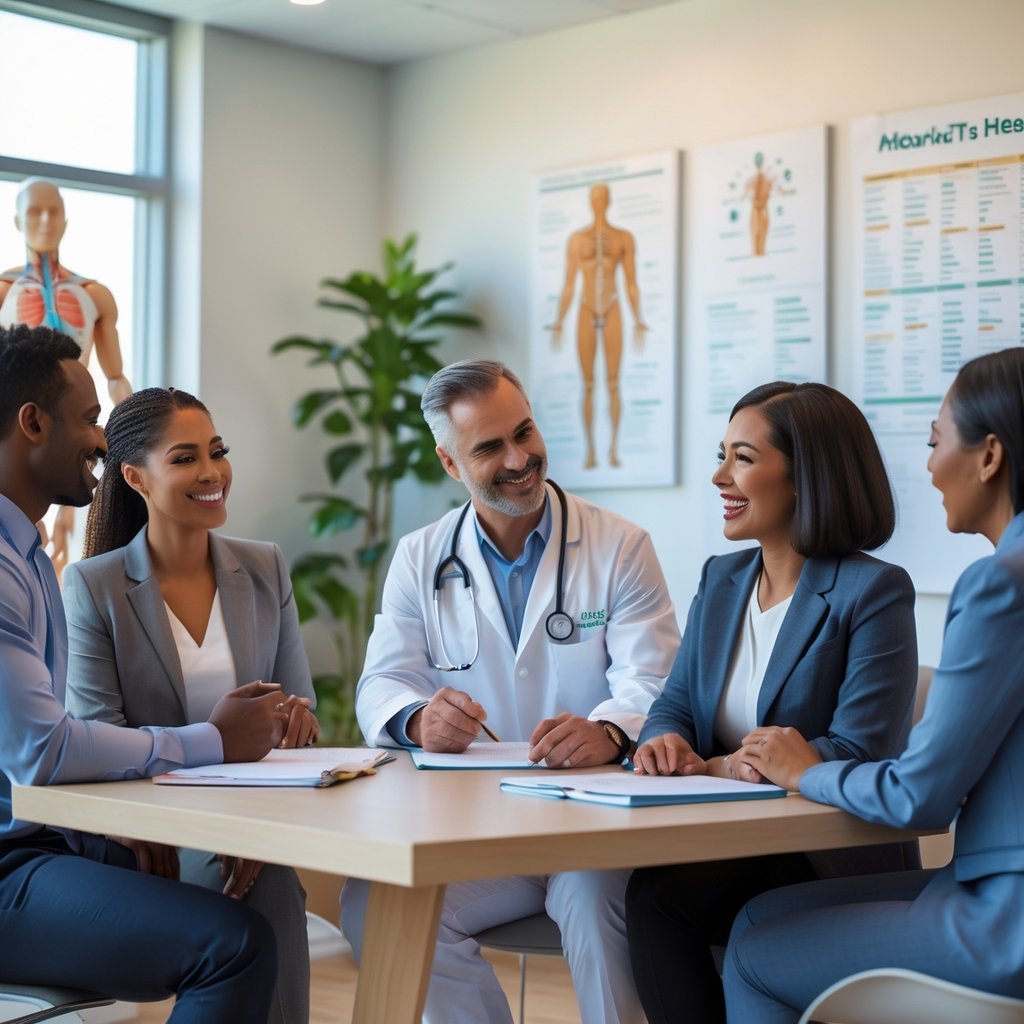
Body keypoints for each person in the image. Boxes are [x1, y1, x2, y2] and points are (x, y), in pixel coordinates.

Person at [340, 359, 680, 1024]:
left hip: (593, 830)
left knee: (593, 902)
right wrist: (416, 720)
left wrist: (609, 730)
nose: (519, 458)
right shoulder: (420, 556)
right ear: (449, 461)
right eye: (490, 447)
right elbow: (384, 680)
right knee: (375, 903)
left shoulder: (620, 547)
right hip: (477, 829)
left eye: (524, 432)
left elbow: (653, 679)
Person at [0, 323, 301, 1021]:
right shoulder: (36, 575)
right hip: (16, 864)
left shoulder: (31, 558)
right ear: (32, 422)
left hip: (54, 841)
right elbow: (45, 752)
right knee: (232, 946)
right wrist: (211, 738)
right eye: (88, 419)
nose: (102, 442)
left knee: (264, 888)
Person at [722, 348, 1024, 1021]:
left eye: (935, 441)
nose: (928, 465)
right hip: (981, 888)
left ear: (990, 456)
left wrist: (805, 771)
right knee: (755, 917)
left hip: (1005, 922)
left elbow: (920, 797)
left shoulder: (1001, 584)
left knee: (752, 955)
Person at [625, 381, 919, 1024]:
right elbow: (675, 703)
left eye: (743, 458)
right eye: (721, 454)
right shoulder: (721, 579)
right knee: (649, 894)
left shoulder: (874, 592)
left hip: (826, 853)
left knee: (660, 898)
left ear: (805, 477)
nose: (718, 476)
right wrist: (664, 740)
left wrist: (725, 765)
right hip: (730, 842)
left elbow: (857, 750)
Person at [62, 386, 319, 1024]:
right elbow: (100, 740)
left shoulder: (265, 568)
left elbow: (297, 711)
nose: (211, 473)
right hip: (147, 836)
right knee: (271, 892)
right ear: (134, 477)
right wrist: (201, 824)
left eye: (217, 451)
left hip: (254, 820)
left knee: (274, 877)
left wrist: (297, 724)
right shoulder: (94, 587)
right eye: (184, 458)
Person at [0, 177, 132, 576]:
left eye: (53, 211)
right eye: (34, 212)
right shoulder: (4, 292)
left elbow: (115, 376)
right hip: (20, 434)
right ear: (18, 222)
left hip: (77, 428)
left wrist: (129, 441)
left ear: (66, 221)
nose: (44, 220)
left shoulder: (95, 295)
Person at [548, 182, 648, 470]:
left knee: (614, 384)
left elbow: (631, 283)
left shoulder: (623, 238)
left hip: (613, 306)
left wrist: (639, 317)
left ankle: (613, 449)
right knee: (589, 385)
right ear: (590, 202)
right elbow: (569, 285)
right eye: (595, 198)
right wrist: (558, 320)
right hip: (586, 308)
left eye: (603, 198)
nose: (599, 202)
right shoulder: (577, 240)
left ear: (609, 201)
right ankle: (591, 451)